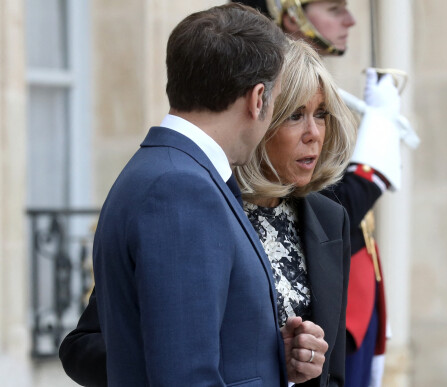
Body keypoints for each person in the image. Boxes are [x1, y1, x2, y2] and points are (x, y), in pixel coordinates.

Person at [59, 38, 356, 386]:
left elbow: (333, 372)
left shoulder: (329, 218)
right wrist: (254, 361)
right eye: (295, 115)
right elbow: (84, 347)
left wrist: (301, 363)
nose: (314, 134)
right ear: (257, 111)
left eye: (321, 114)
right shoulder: (192, 202)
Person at [87, 4, 294, 385]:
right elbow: (186, 375)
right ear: (258, 98)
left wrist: (271, 355)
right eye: (278, 103)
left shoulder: (172, 173)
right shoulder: (179, 189)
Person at [233, 1, 413, 386]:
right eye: (333, 8)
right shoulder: (209, 202)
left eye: (322, 115)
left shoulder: (319, 208)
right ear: (290, 12)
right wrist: (374, 161)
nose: (349, 20)